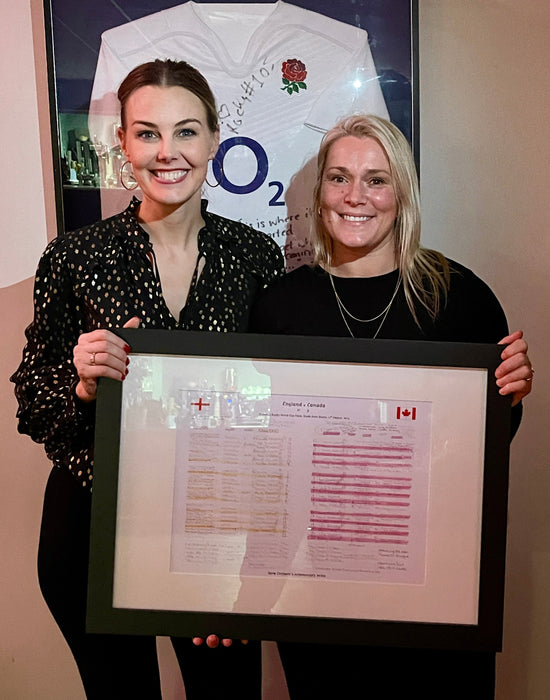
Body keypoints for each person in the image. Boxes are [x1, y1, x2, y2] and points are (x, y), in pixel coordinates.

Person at [11, 59, 284, 700]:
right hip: (93, 520)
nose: (168, 153)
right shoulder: (74, 257)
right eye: (148, 133)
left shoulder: (256, 257)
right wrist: (82, 383)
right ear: (125, 144)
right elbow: (31, 399)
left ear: (216, 140)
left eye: (186, 132)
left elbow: (280, 399)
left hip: (214, 525)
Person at [249, 114, 533, 699]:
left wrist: (510, 391)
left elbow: (485, 446)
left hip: (437, 585)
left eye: (376, 179)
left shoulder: (461, 297)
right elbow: (261, 456)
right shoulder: (277, 306)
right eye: (339, 178)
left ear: (401, 192)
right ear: (319, 193)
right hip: (318, 585)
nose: (356, 196)